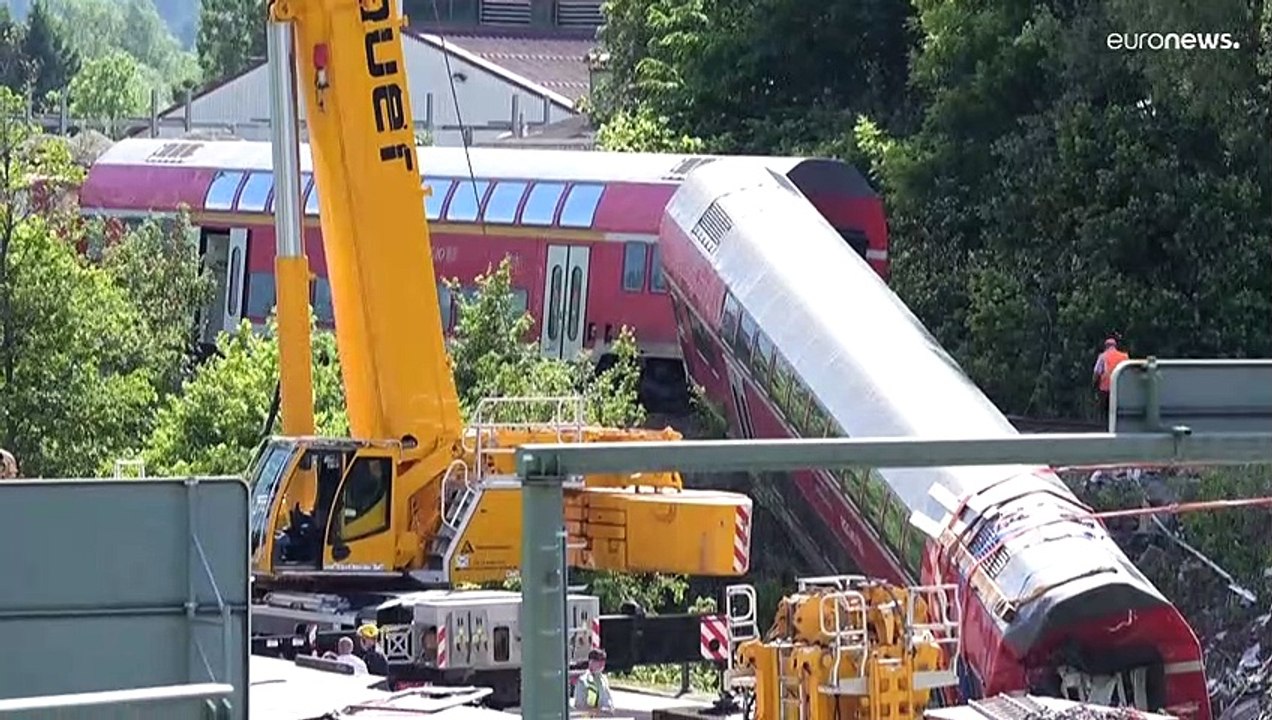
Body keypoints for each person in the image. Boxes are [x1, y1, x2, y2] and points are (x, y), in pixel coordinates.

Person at [1092, 337, 1130, 418]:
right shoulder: (1124, 356)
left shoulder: (1103, 356)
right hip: (1121, 388)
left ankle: (1108, 426)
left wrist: (1094, 384)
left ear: (1106, 346)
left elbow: (1097, 372)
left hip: (1106, 387)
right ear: (1115, 346)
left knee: (1107, 410)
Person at [572, 648, 615, 714]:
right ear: (591, 662)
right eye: (598, 660)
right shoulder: (583, 680)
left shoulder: (603, 679)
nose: (602, 664)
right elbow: (579, 706)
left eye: (603, 661)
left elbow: (609, 703)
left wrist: (608, 709)